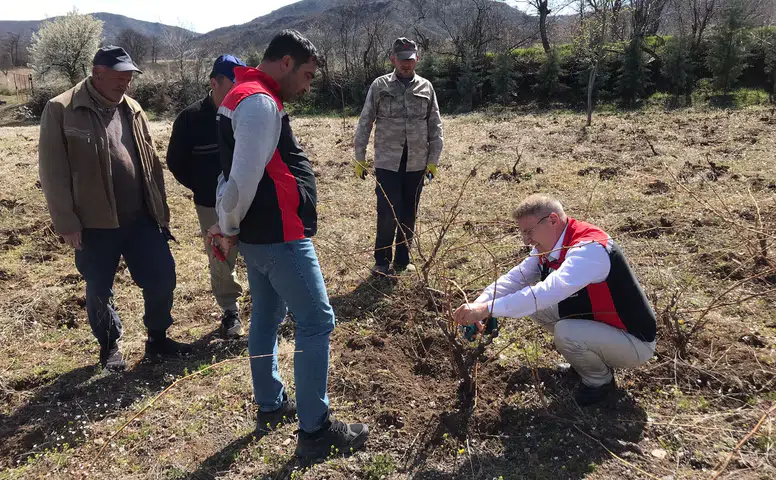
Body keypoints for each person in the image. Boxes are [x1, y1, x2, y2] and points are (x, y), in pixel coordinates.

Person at [208, 30, 369, 459]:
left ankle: (271, 403)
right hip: (280, 237)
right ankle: (315, 430)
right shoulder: (260, 102)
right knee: (317, 322)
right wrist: (227, 226)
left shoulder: (242, 94)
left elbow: (229, 172)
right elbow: (241, 179)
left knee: (266, 315)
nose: (308, 85)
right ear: (284, 63)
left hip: (260, 239)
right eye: (307, 75)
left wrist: (232, 227)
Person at [38, 46, 191, 372]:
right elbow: (53, 172)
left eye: (128, 78)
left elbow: (151, 162)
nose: (125, 84)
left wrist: (160, 211)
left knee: (163, 276)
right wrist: (66, 220)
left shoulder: (133, 108)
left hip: (141, 217)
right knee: (98, 288)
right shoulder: (62, 109)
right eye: (119, 78)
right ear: (97, 73)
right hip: (94, 222)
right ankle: (109, 346)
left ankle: (158, 339)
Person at [454, 194, 657, 406]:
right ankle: (587, 358)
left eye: (529, 231)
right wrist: (481, 303)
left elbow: (546, 292)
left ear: (552, 220)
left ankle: (600, 382)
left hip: (633, 341)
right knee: (534, 307)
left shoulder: (589, 250)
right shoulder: (551, 245)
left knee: (566, 332)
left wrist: (489, 309)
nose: (526, 240)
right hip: (601, 323)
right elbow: (517, 278)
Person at [167, 54, 247, 338]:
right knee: (221, 253)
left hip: (249, 198)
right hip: (210, 203)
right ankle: (230, 310)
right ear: (214, 82)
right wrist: (202, 189)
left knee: (258, 248)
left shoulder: (246, 112)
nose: (239, 89)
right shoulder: (190, 119)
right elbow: (175, 162)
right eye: (232, 84)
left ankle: (269, 303)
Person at [354, 37, 444, 275]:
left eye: (411, 60)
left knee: (408, 212)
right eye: (402, 60)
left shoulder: (426, 87)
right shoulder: (380, 86)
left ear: (417, 59)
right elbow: (366, 121)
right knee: (387, 212)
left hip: (416, 161)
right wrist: (359, 156)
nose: (407, 64)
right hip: (387, 162)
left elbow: (435, 125)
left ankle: (403, 260)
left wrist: (433, 161)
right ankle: (382, 261)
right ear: (393, 59)